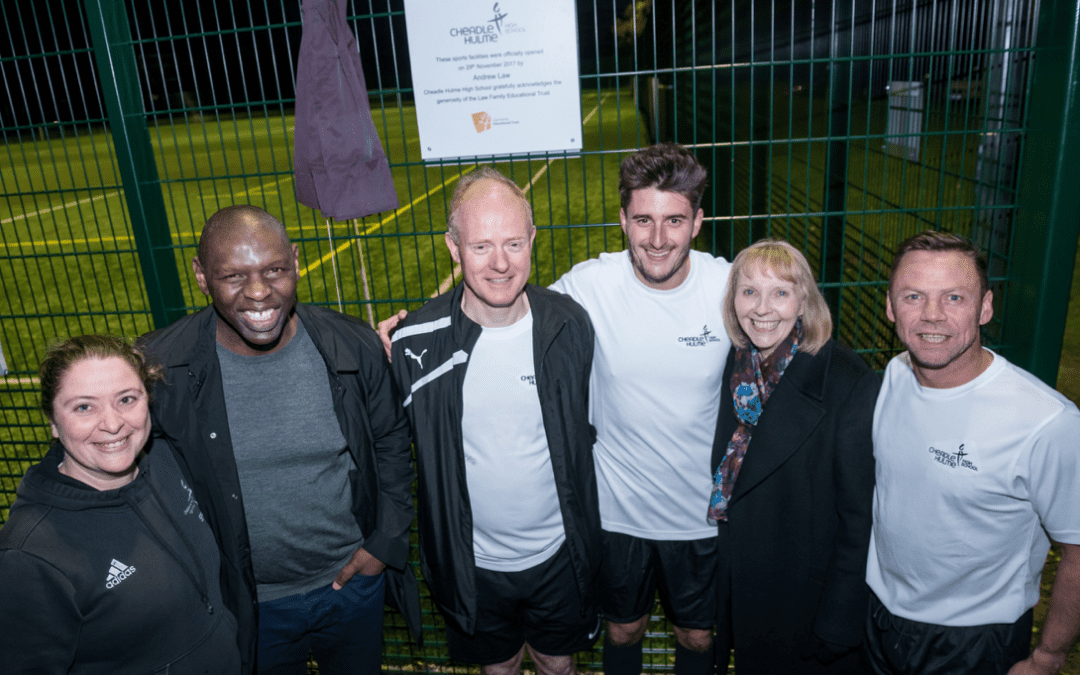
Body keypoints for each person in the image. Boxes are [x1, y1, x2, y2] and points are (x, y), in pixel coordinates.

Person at [380, 143, 731, 674]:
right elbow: (506, 303)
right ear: (622, 221)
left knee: (698, 638)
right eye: (643, 220)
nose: (658, 239)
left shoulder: (727, 288)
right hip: (614, 516)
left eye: (674, 220)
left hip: (694, 519)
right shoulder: (587, 290)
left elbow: (786, 314)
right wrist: (385, 345)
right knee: (621, 628)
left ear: (698, 222)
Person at [138, 205, 417, 675]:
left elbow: (391, 442)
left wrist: (382, 544)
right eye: (233, 276)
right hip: (244, 605)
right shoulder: (161, 369)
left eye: (274, 270)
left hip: (352, 587)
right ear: (201, 277)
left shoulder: (352, 345)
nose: (259, 292)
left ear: (296, 260)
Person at [389, 167, 601, 675]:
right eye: (481, 247)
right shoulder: (414, 343)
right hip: (474, 567)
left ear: (532, 239)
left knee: (558, 664)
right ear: (453, 247)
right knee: (498, 669)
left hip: (558, 555)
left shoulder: (569, 325)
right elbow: (383, 447)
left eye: (513, 243)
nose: (501, 264)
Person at [865, 230, 1080, 675]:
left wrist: (1047, 657)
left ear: (985, 307)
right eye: (912, 296)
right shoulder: (894, 375)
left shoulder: (1045, 422)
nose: (931, 316)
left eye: (954, 298)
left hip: (975, 641)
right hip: (878, 615)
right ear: (889, 306)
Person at [0, 335, 242, 674]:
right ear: (53, 423)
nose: (113, 424)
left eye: (126, 399)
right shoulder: (28, 558)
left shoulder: (165, 460)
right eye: (84, 407)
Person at [709, 239, 878, 673]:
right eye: (749, 292)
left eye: (780, 292)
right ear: (733, 301)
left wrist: (840, 620)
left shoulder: (846, 380)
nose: (762, 308)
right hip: (751, 588)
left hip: (807, 605)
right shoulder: (740, 366)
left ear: (804, 301)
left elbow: (861, 519)